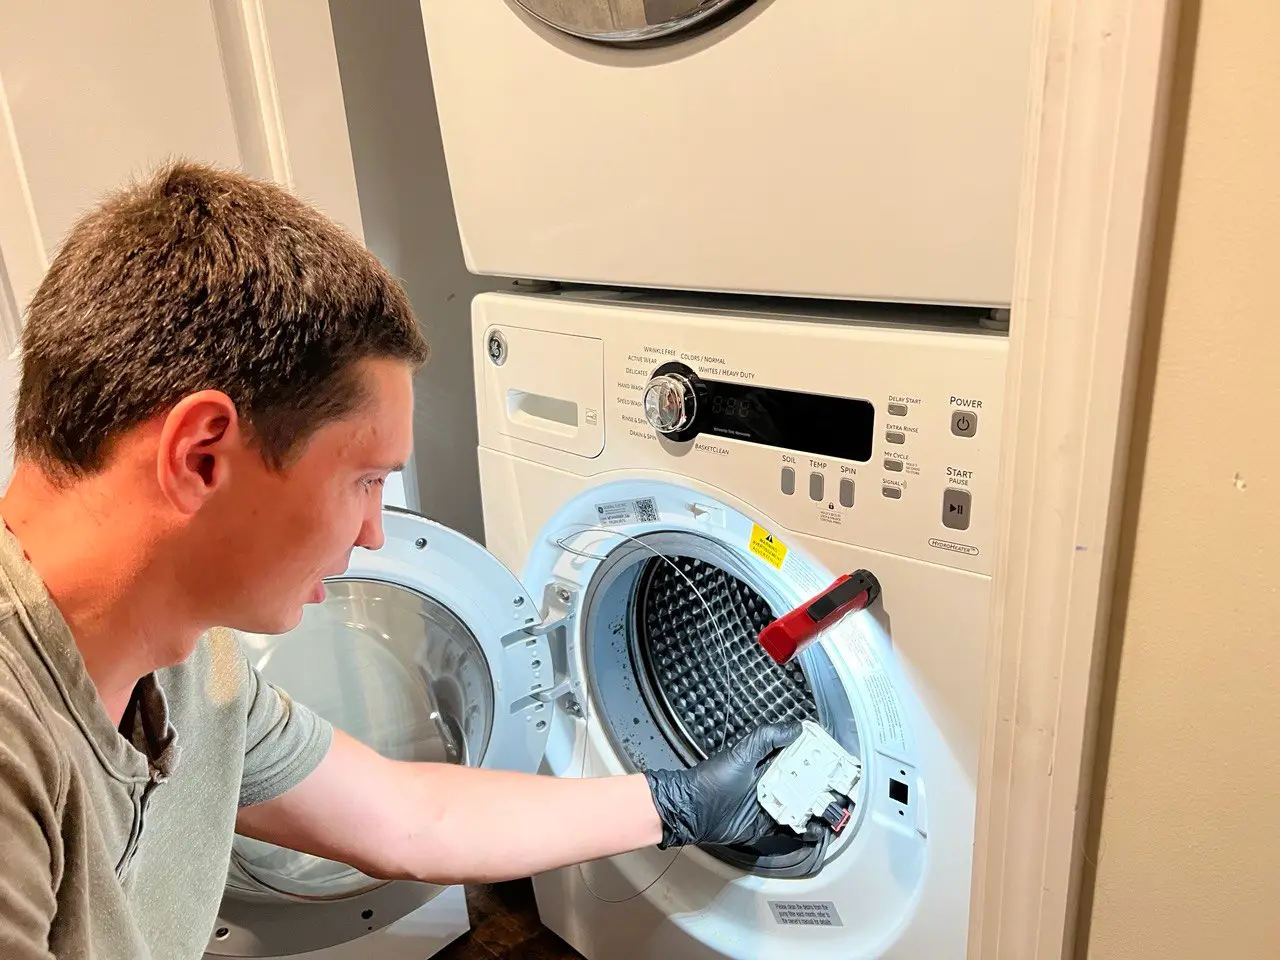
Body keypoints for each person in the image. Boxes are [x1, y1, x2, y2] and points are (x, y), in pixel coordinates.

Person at [0, 162, 817, 959]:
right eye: (364, 481)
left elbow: (405, 817)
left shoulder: (192, 670)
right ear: (201, 457)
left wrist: (681, 805)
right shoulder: (15, 741)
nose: (373, 534)